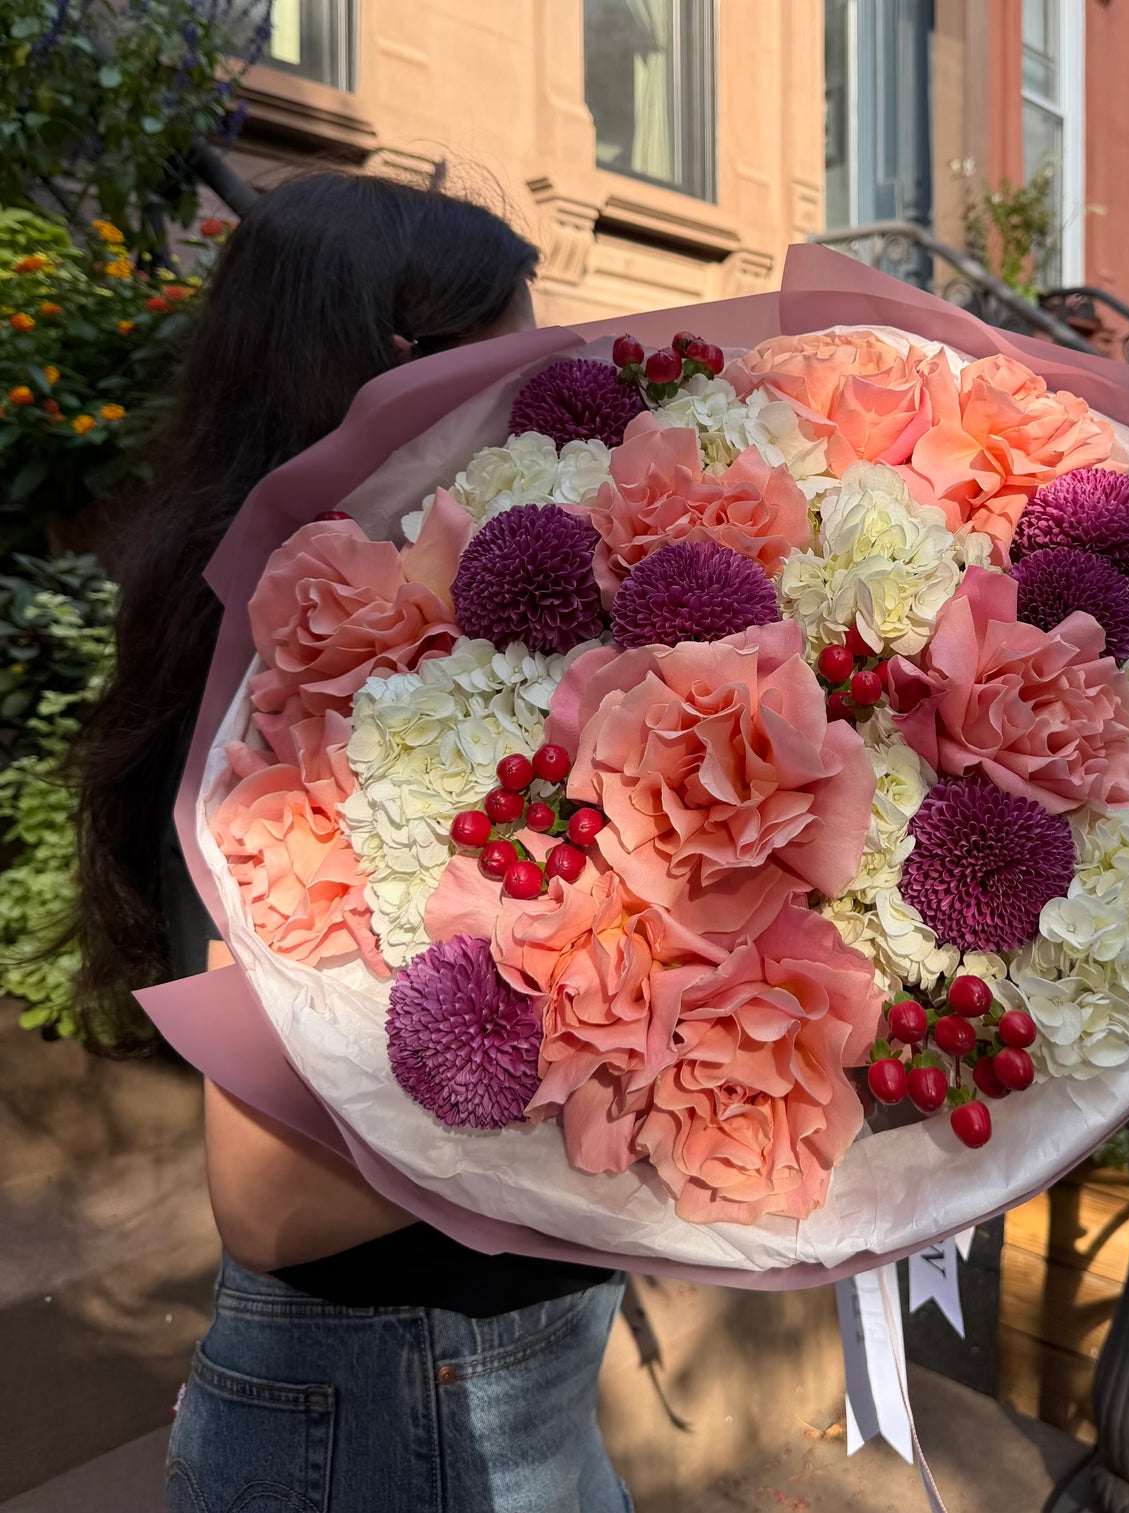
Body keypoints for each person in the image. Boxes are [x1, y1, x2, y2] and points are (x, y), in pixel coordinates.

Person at [73, 173, 632, 1513]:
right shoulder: (282, 679)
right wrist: (653, 1058)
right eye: (522, 359)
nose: (551, 406)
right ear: (395, 378)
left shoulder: (368, 637)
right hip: (417, 1399)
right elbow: (275, 1204)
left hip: (439, 1387)